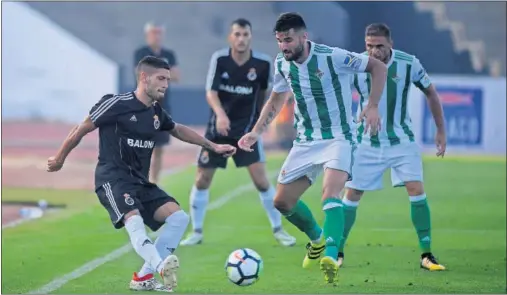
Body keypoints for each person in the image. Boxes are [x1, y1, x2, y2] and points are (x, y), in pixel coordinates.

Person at [47, 56, 236, 292]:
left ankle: (143, 278)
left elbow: (177, 129)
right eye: (161, 78)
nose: (166, 84)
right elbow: (82, 127)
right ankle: (160, 266)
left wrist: (213, 146)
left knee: (179, 218)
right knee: (134, 221)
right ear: (144, 78)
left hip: (140, 182)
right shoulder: (116, 103)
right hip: (112, 178)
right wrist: (59, 158)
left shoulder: (155, 111)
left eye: (168, 79)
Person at [237, 13, 388, 284]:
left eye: (288, 40)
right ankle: (317, 240)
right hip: (306, 141)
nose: (284, 46)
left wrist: (373, 105)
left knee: (330, 193)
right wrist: (257, 131)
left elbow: (379, 67)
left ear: (303, 37)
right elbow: (277, 97)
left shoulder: (333, 57)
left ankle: (331, 255)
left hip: (340, 137)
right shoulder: (282, 63)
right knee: (282, 202)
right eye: (280, 41)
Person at [338, 23, 447, 271]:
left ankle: (427, 254)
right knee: (352, 193)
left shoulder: (409, 63)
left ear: (391, 44)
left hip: (402, 141)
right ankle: (337, 252)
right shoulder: (356, 64)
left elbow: (431, 92)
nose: (374, 52)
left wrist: (440, 129)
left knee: (416, 188)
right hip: (366, 141)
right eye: (369, 46)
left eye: (379, 46)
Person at [180, 18, 296, 247]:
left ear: (250, 37)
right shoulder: (220, 59)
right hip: (218, 131)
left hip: (246, 133)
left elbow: (267, 97)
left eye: (245, 34)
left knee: (262, 181)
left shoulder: (262, 64)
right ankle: (197, 232)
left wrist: (259, 125)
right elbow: (211, 93)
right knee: (202, 180)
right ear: (230, 37)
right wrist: (221, 115)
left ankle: (279, 230)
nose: (241, 39)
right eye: (237, 34)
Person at [134, 21, 181, 184]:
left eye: (159, 33)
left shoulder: (169, 54)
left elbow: (176, 76)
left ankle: (155, 181)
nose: (157, 36)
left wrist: (155, 74)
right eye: (154, 33)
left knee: (159, 146)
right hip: (143, 105)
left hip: (162, 105)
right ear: (148, 35)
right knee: (141, 144)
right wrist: (163, 73)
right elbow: (141, 75)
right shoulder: (141, 53)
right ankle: (140, 179)